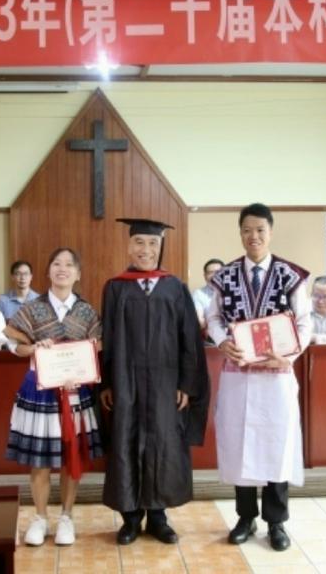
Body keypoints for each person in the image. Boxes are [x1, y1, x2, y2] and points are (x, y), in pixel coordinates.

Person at [206, 203, 312, 552]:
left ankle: (277, 523)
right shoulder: (224, 277)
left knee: (276, 445)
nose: (254, 237)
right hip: (238, 375)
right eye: (247, 230)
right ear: (240, 233)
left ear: (270, 232)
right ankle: (245, 517)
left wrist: (289, 355)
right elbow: (215, 317)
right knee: (239, 445)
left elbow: (304, 323)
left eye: (260, 230)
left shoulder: (291, 275)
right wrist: (222, 342)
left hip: (276, 374)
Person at [100, 218, 210, 546]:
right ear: (128, 245)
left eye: (152, 244)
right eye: (139, 243)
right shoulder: (115, 287)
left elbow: (189, 338)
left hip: (165, 383)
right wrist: (106, 383)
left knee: (163, 443)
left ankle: (159, 517)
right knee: (127, 441)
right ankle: (131, 518)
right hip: (126, 381)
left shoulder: (174, 287)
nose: (145, 250)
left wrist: (187, 385)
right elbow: (107, 337)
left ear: (160, 248)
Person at [4, 248, 102, 547]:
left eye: (69, 265)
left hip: (75, 392)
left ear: (78, 273)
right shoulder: (32, 308)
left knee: (71, 457)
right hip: (39, 391)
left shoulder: (86, 311)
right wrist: (32, 348)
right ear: (48, 272)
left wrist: (82, 368)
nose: (62, 269)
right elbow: (12, 340)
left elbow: (97, 347)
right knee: (40, 460)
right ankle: (40, 517)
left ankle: (67, 517)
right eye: (56, 264)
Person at [192, 258, 224, 331]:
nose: (214, 275)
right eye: (210, 272)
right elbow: (200, 319)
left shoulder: (233, 290)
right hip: (210, 335)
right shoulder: (199, 293)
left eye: (218, 272)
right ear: (204, 276)